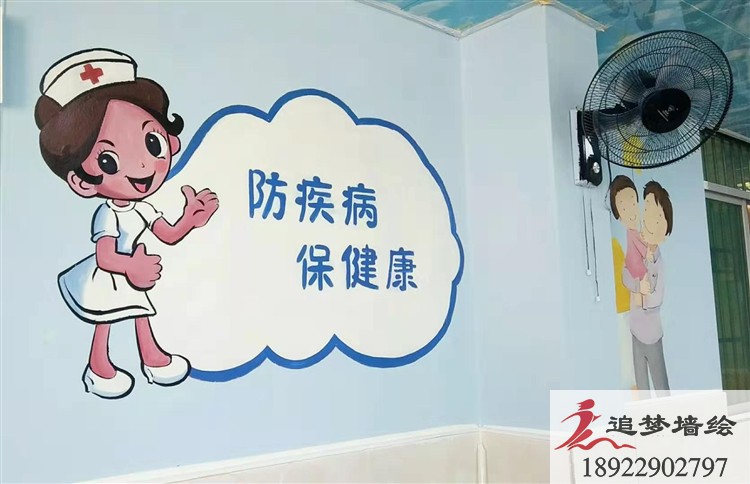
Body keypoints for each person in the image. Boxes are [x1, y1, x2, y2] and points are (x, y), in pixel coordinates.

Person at [35, 49, 220, 399]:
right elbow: (105, 256)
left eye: (152, 142)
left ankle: (152, 358)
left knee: (140, 313)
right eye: (108, 160)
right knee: (105, 319)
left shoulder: (142, 208)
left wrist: (190, 219)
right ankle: (98, 367)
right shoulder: (107, 213)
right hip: (111, 273)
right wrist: (131, 266)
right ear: (82, 181)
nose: (143, 166)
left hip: (135, 269)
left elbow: (168, 234)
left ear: (170, 141)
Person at [621, 181, 673, 394]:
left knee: (661, 387)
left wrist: (642, 294)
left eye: (657, 216)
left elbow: (656, 298)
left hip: (652, 335)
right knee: (642, 387)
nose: (651, 220)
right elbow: (625, 273)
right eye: (648, 209)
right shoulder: (636, 249)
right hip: (635, 330)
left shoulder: (658, 262)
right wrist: (636, 286)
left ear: (666, 230)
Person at [609, 175, 648, 307]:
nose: (631, 211)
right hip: (638, 290)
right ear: (618, 215)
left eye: (633, 203)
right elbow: (626, 272)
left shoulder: (638, 234)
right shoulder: (630, 238)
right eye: (624, 209)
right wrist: (638, 286)